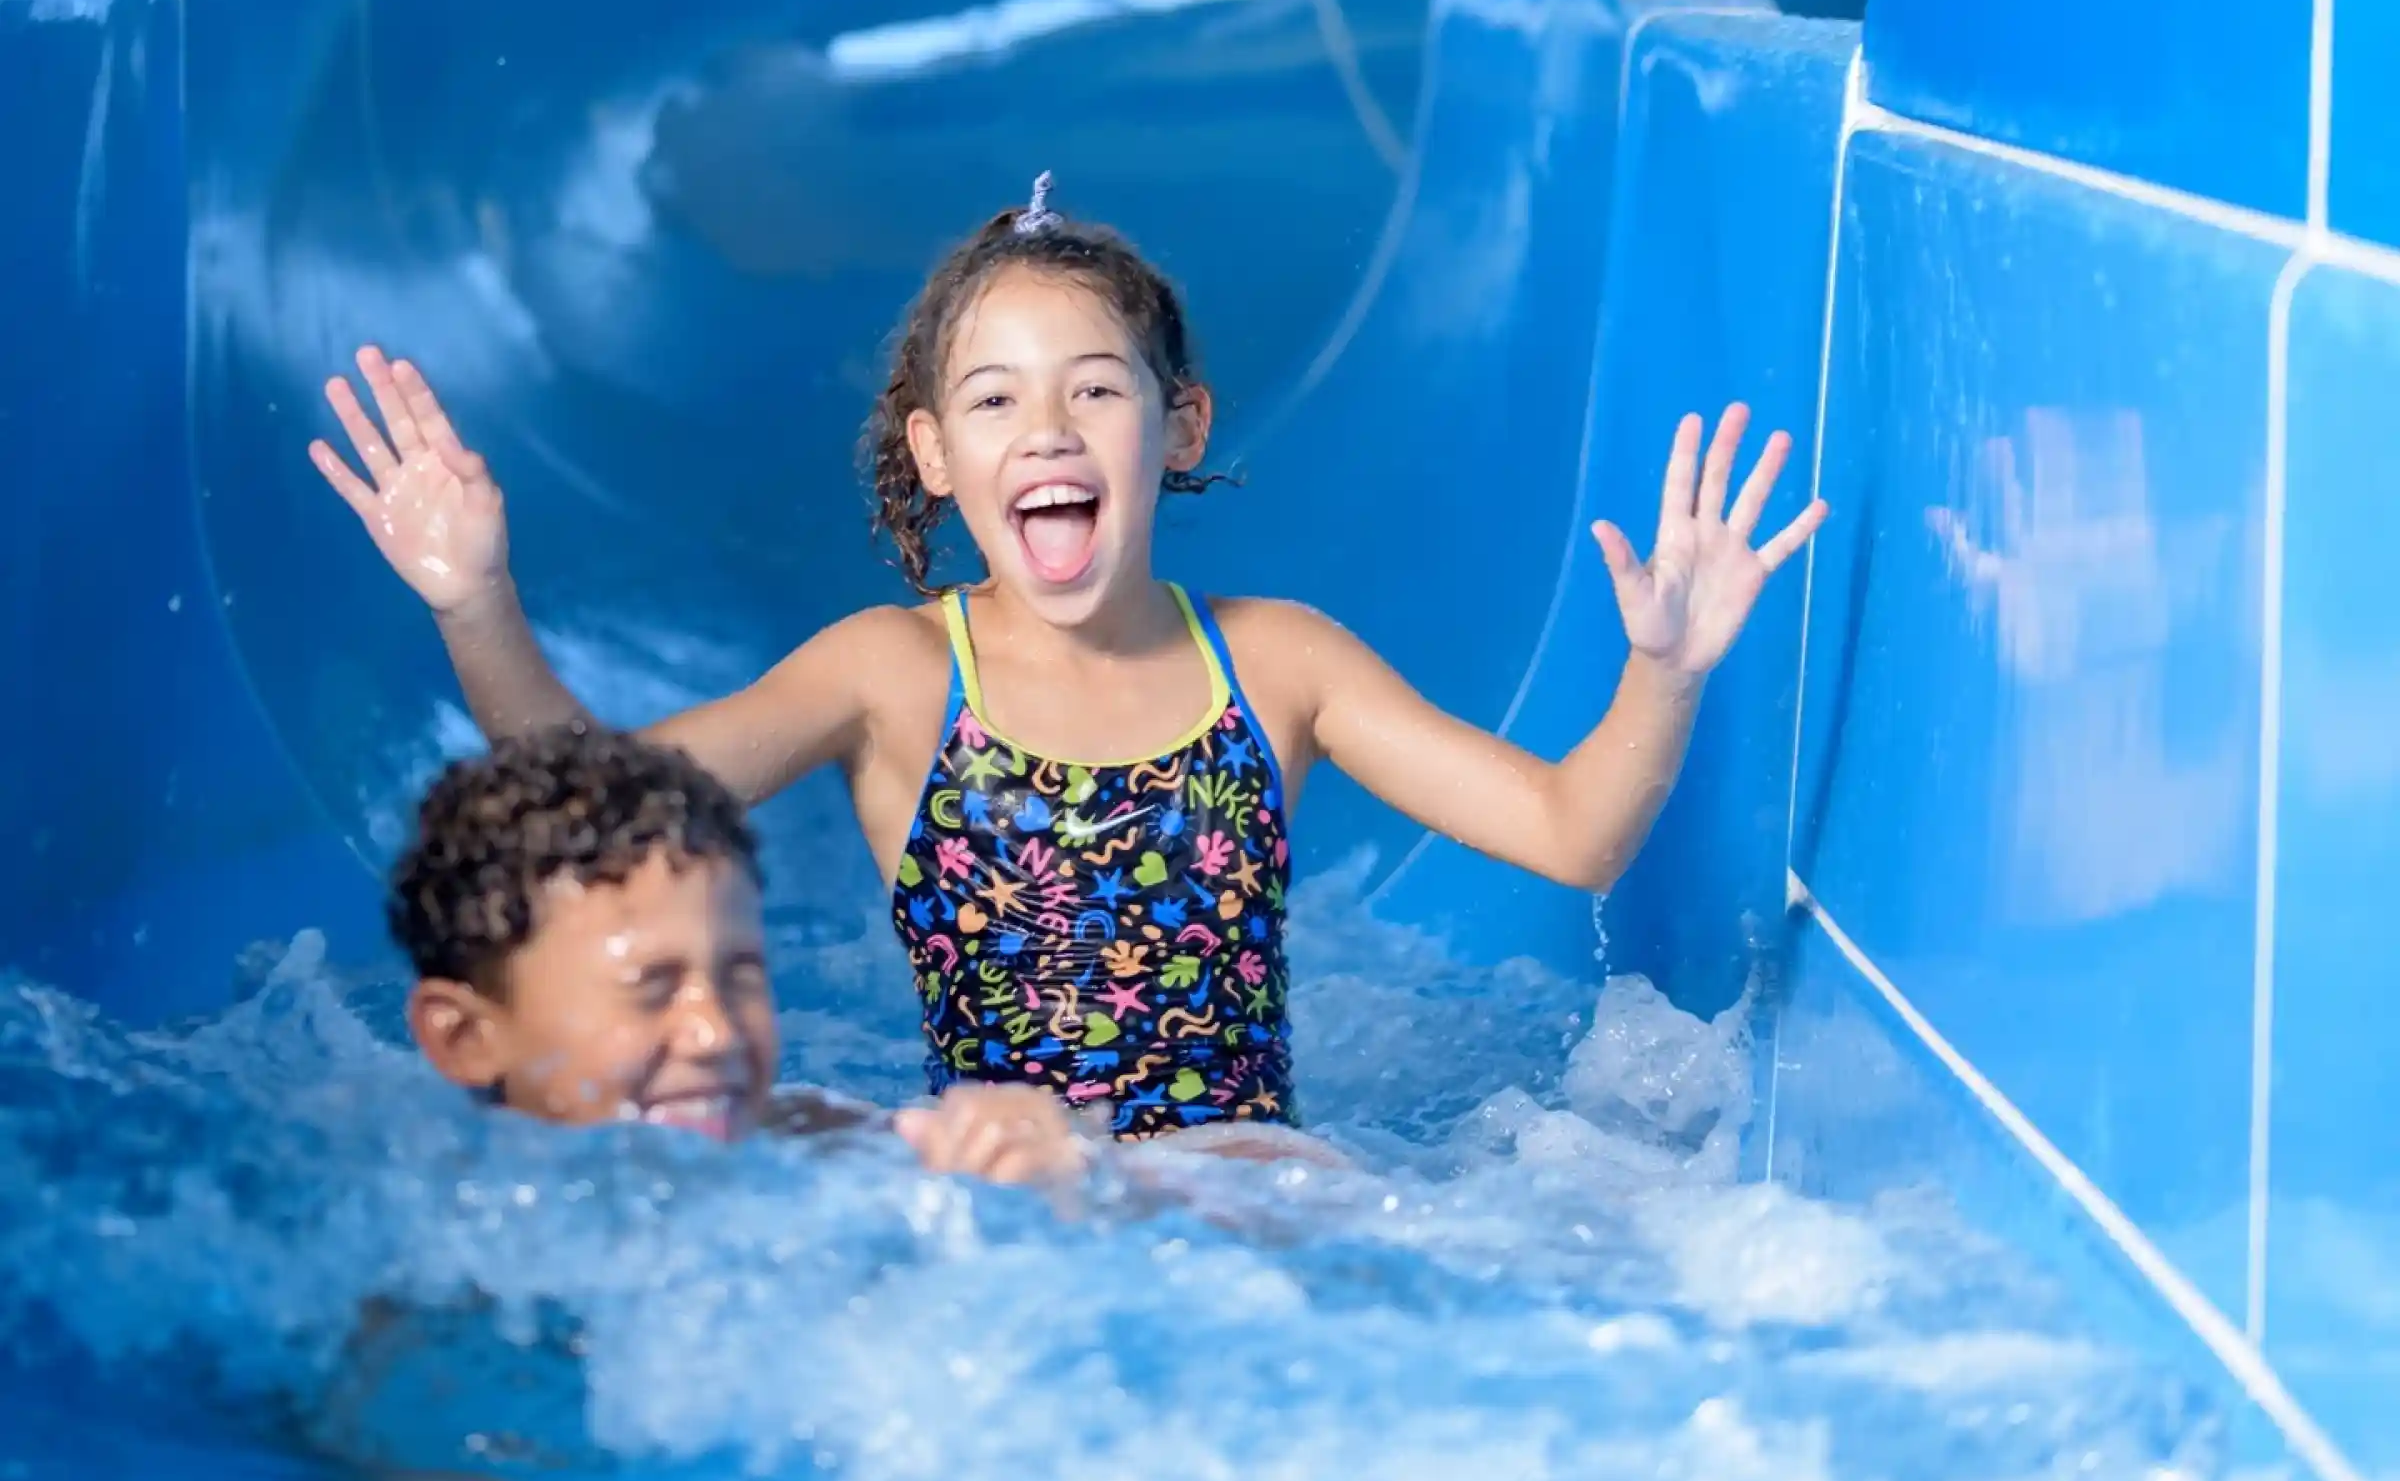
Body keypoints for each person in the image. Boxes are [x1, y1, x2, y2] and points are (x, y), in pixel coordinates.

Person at [314, 172, 1825, 1144]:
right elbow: (592, 812)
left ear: (1179, 431)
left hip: (1236, 1185)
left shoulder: (1278, 665)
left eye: (1094, 391)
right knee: (801, 1134)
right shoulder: (893, 675)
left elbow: (1572, 835)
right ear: (937, 459)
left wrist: (1667, 670)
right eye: (993, 403)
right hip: (995, 1187)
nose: (1046, 430)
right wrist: (476, 599)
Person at [388, 720, 1087, 1183]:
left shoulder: (809, 1141)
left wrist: (1023, 1174)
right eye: (651, 986)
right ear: (467, 1037)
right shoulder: (434, 1274)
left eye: (741, 977)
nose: (715, 1031)